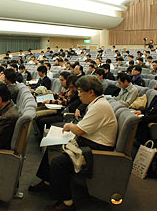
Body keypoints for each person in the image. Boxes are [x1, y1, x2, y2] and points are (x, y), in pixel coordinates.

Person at [29, 75, 117, 211]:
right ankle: (47, 182)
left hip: (96, 150)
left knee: (58, 162)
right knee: (52, 146)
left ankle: (67, 203)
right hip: (90, 143)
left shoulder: (99, 106)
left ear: (91, 92)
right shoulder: (97, 103)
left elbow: (79, 129)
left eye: (80, 91)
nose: (78, 94)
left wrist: (69, 127)